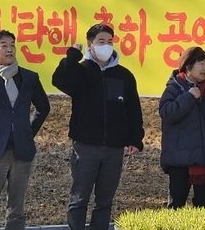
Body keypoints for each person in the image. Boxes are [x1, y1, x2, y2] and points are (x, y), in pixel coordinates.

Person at [52, 24, 145, 230]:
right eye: (101, 42)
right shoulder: (81, 70)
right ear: (90, 45)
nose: (106, 46)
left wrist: (135, 138)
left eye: (110, 42)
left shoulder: (124, 75)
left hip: (114, 148)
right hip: (86, 146)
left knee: (104, 202)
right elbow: (59, 80)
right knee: (79, 199)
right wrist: (72, 57)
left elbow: (133, 109)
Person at [0, 30, 50, 230]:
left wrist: (27, 131)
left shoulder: (29, 77)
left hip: (21, 149)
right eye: (3, 45)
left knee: (16, 205)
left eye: (12, 45)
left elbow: (43, 107)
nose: (9, 49)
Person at [159, 46, 205, 209]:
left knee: (203, 205)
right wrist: (188, 97)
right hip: (179, 161)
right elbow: (166, 113)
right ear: (188, 66)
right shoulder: (174, 87)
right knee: (176, 205)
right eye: (201, 64)